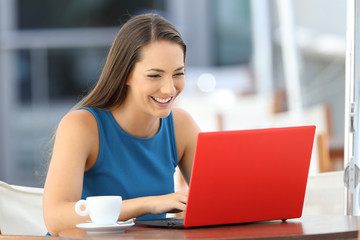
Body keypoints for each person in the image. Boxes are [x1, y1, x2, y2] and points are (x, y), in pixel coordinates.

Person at [43, 13, 200, 236]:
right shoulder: (82, 126)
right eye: (155, 76)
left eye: (178, 74)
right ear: (125, 73)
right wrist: (148, 204)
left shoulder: (181, 125)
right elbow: (56, 219)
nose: (169, 89)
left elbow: (217, 201)